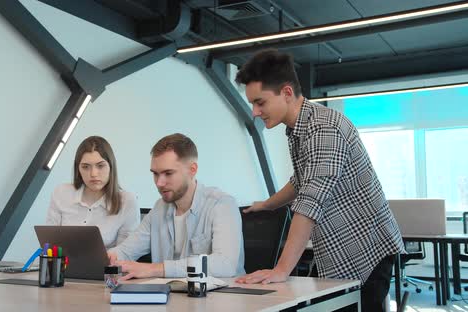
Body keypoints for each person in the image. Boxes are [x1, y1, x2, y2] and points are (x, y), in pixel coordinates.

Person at [233, 49, 404, 312]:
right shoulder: (298, 129)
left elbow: (310, 202)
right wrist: (268, 205)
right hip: (340, 250)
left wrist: (281, 269)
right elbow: (300, 181)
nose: (255, 112)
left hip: (365, 249)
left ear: (287, 93)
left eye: (260, 102)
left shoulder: (324, 129)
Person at [107, 133, 245, 279]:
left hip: (222, 298)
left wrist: (156, 269)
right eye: (155, 174)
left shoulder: (222, 204)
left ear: (192, 170)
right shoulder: (159, 209)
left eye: (168, 173)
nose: (159, 183)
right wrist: (103, 258)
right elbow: (126, 251)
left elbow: (225, 265)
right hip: (172, 297)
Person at [46, 136, 140, 248]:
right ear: (78, 169)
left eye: (100, 166)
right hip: (62, 264)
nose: (93, 174)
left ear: (111, 166)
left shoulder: (127, 201)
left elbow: (125, 254)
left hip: (105, 265)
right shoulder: (61, 192)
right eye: (85, 167)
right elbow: (49, 243)